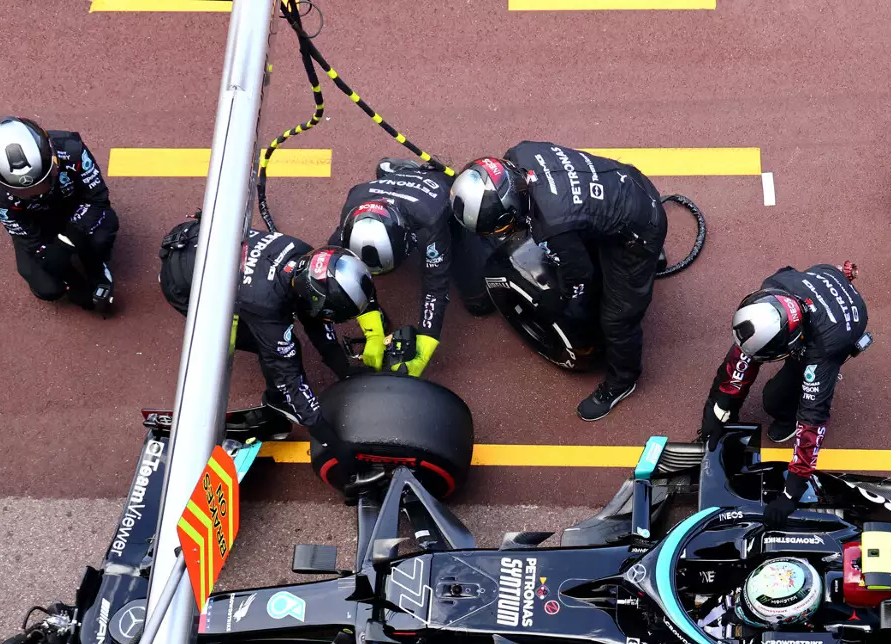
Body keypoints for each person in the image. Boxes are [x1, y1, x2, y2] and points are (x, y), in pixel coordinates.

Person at [449, 143, 667, 421]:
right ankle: (648, 256)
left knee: (617, 319)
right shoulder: (520, 153)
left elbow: (579, 277)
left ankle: (622, 381)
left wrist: (556, 301)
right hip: (629, 182)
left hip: (639, 232)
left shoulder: (553, 225)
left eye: (500, 227)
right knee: (588, 231)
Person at [699, 263, 869, 529]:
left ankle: (792, 397)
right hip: (816, 283)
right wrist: (719, 405)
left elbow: (813, 419)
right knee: (750, 355)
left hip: (841, 326)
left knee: (775, 400)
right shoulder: (774, 285)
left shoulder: (824, 347)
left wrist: (792, 491)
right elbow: (743, 356)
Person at [236, 232, 377, 488]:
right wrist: (328, 439)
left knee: (291, 324)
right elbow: (289, 374)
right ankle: (278, 402)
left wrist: (343, 369)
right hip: (185, 286)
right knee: (276, 347)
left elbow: (313, 315)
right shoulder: (266, 305)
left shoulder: (308, 257)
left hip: (224, 258)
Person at [330, 158, 483, 376]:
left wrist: (427, 337)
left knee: (478, 301)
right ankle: (400, 173)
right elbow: (345, 272)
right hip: (383, 196)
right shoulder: (350, 212)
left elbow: (436, 284)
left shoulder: (428, 221)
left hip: (434, 195)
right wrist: (372, 329)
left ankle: (419, 173)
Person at [0, 116, 118, 314]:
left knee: (102, 235)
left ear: (54, 159)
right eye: (23, 192)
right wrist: (69, 276)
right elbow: (26, 236)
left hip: (75, 210)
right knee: (48, 289)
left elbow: (98, 199)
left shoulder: (72, 149)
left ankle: (96, 265)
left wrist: (68, 242)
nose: (36, 193)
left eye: (42, 182)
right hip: (37, 225)